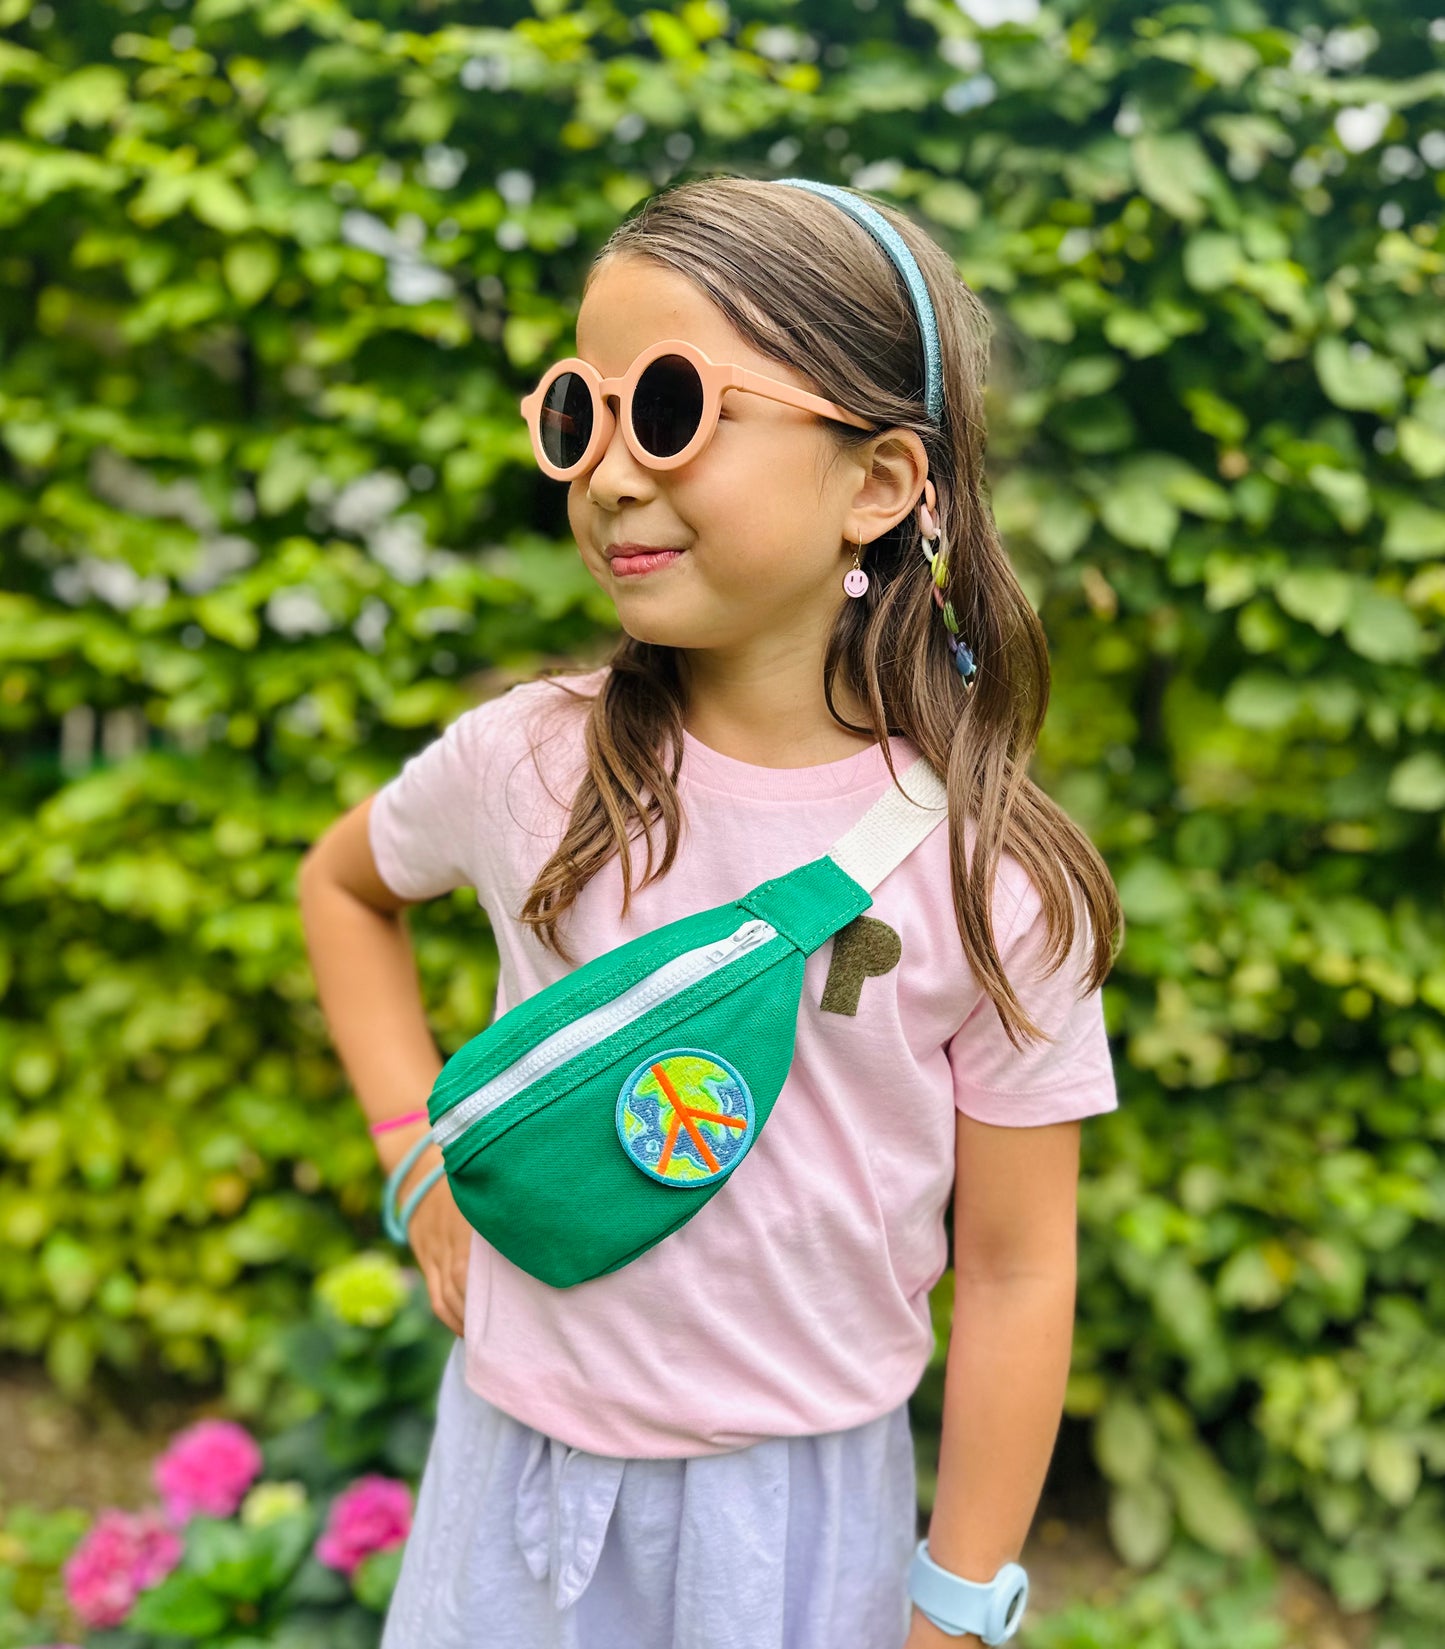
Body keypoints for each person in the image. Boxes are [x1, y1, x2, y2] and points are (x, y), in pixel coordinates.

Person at [298, 173, 1123, 1649]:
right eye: (580, 416)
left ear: (879, 483)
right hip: (512, 1485)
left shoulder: (990, 879)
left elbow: (1017, 1269)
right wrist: (412, 1156)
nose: (610, 476)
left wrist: (956, 1605)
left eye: (671, 410)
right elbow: (343, 886)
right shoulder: (526, 764)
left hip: (800, 1530)